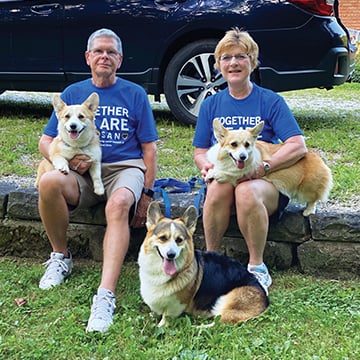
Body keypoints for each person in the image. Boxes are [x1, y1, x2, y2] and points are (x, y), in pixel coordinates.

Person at [37, 28, 158, 332]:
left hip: (124, 168)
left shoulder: (135, 94)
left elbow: (149, 149)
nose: (105, 56)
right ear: (88, 57)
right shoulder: (72, 95)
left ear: (120, 59)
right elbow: (45, 141)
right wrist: (64, 160)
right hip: (82, 171)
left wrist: (146, 194)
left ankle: (105, 295)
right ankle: (60, 256)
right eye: (99, 51)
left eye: (111, 52)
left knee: (117, 205)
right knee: (50, 182)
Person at [192, 28, 307, 295]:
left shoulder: (270, 101)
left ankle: (257, 267)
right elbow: (199, 151)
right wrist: (205, 166)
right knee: (218, 185)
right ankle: (212, 263)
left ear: (252, 61)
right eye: (226, 57)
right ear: (218, 64)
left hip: (264, 182)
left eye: (241, 56)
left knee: (245, 190)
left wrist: (264, 167)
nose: (233, 63)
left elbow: (298, 145)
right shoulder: (211, 105)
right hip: (225, 179)